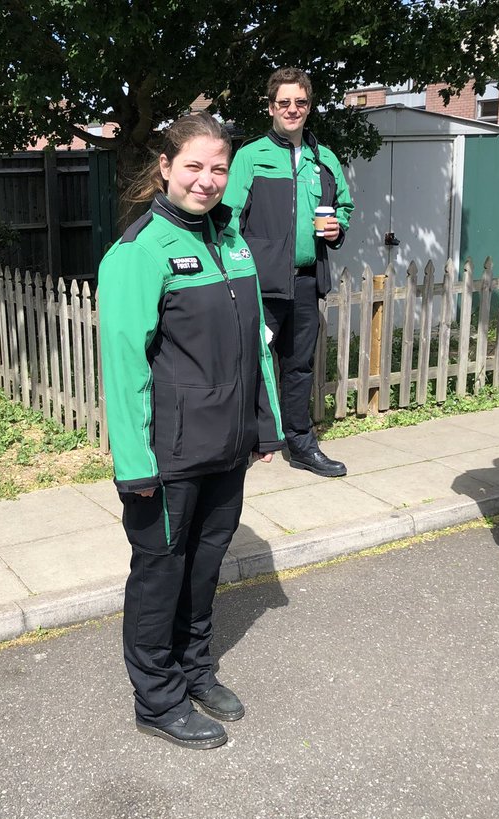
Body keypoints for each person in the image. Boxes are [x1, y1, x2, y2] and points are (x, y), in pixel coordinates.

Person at [98, 113, 285, 750]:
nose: (206, 181)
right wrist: (135, 463)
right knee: (161, 573)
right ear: (167, 168)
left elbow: (257, 341)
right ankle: (156, 697)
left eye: (218, 168)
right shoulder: (138, 252)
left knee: (205, 568)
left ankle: (195, 669)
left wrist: (266, 424)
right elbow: (123, 368)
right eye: (194, 167)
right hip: (169, 455)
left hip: (226, 446)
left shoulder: (231, 241)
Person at [224, 67, 355, 478]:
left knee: (299, 367)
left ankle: (300, 443)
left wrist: (337, 229)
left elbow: (344, 210)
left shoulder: (325, 159)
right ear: (271, 107)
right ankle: (241, 444)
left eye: (300, 102)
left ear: (309, 106)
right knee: (248, 363)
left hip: (305, 281)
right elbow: (227, 222)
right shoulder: (250, 156)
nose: (292, 109)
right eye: (284, 102)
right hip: (259, 286)